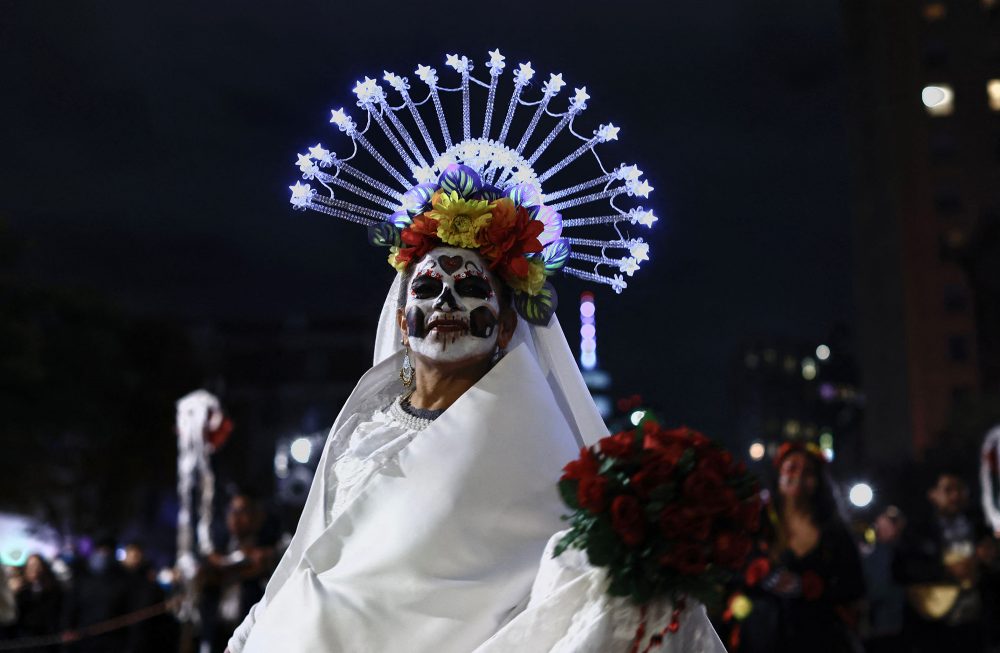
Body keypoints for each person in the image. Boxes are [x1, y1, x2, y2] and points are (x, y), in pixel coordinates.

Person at [226, 50, 724, 653]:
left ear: (509, 323)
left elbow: (571, 585)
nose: (447, 305)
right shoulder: (363, 423)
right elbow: (312, 550)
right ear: (403, 321)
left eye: (470, 289)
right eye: (430, 288)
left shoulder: (533, 444)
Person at [737, 443, 866, 653]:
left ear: (818, 481)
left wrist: (812, 586)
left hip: (821, 639)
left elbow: (855, 586)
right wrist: (759, 575)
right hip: (764, 637)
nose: (798, 476)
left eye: (808, 471)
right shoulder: (758, 523)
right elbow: (735, 573)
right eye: (792, 468)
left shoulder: (834, 531)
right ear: (779, 473)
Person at [894, 471, 992, 652]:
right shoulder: (918, 529)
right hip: (932, 630)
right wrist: (946, 572)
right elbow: (901, 571)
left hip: (973, 628)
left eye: (960, 489)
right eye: (948, 490)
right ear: (933, 494)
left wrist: (989, 561)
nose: (955, 495)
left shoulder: (981, 526)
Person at [200, 493, 276, 653]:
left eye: (242, 511)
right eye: (232, 511)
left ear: (258, 516)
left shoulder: (268, 552)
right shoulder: (218, 549)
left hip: (249, 635)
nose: (235, 517)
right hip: (216, 632)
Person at [863, 506, 906, 653]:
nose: (889, 527)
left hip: (903, 623)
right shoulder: (872, 554)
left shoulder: (906, 550)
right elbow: (875, 589)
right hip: (880, 625)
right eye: (885, 523)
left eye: (893, 522)